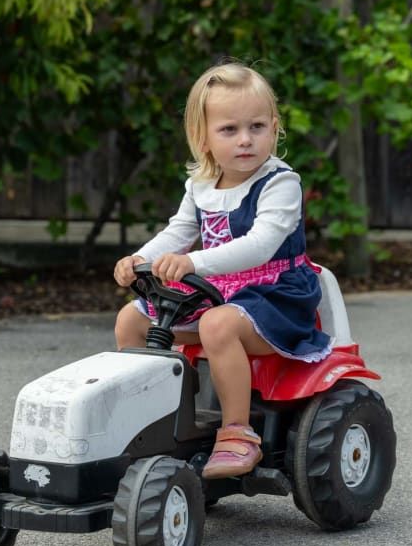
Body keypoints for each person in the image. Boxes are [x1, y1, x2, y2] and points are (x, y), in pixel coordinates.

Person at [113, 62, 332, 480]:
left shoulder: (280, 183)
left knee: (217, 324)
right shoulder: (201, 185)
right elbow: (179, 232)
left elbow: (261, 244)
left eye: (257, 127)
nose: (246, 139)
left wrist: (195, 262)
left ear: (275, 129)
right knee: (131, 319)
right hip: (216, 289)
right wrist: (139, 259)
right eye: (230, 130)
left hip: (275, 296)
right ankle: (146, 418)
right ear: (204, 139)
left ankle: (237, 433)